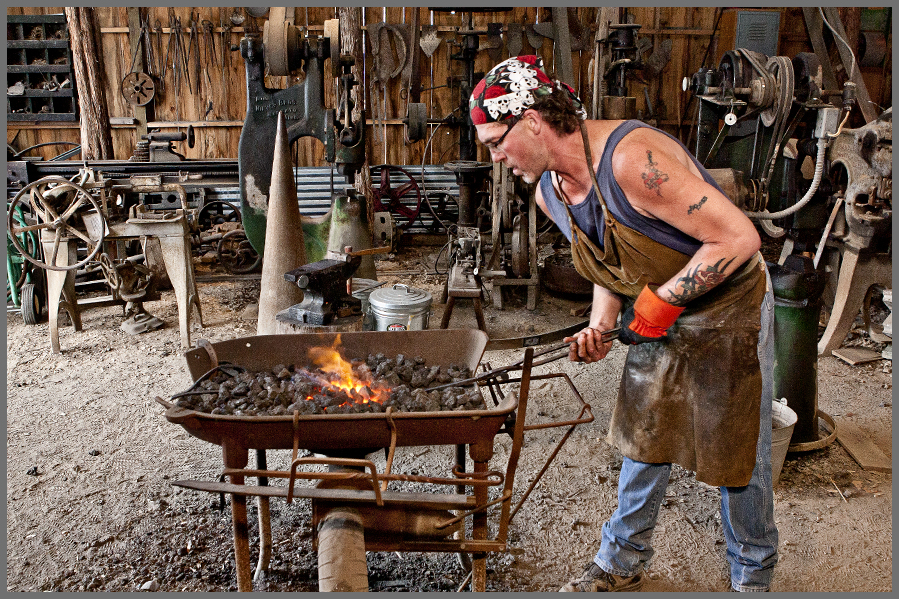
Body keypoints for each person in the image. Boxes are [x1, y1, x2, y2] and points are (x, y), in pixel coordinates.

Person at [470, 55, 778, 592]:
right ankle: (622, 560)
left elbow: (738, 239)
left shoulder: (633, 160)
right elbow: (609, 262)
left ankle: (753, 574)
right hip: (660, 306)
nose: (496, 157)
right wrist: (601, 323)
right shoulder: (550, 192)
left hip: (731, 305)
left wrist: (659, 306)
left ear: (535, 122)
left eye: (498, 141)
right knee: (644, 434)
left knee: (737, 450)